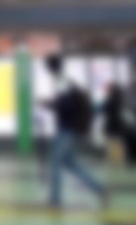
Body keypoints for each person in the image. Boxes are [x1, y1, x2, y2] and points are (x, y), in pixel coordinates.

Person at [44, 55, 108, 209]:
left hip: (67, 129)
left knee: (55, 162)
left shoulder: (61, 81)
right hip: (69, 128)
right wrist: (53, 104)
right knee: (71, 164)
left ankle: (55, 200)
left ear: (50, 68)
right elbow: (66, 103)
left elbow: (66, 105)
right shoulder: (64, 81)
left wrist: (50, 104)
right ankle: (100, 189)